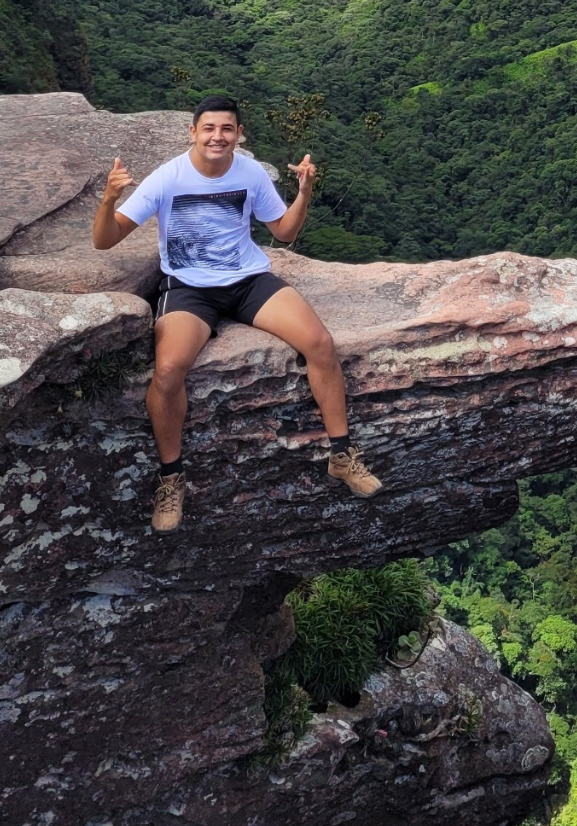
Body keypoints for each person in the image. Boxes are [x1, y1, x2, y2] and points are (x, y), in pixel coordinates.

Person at [92, 92, 381, 531]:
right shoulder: (167, 178)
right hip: (189, 288)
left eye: (227, 128)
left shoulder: (248, 173)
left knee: (320, 343)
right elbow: (104, 240)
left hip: (247, 281)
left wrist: (304, 192)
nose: (218, 136)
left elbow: (283, 232)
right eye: (209, 128)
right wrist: (109, 199)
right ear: (192, 132)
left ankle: (341, 456)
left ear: (239, 134)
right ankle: (172, 479)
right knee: (169, 371)